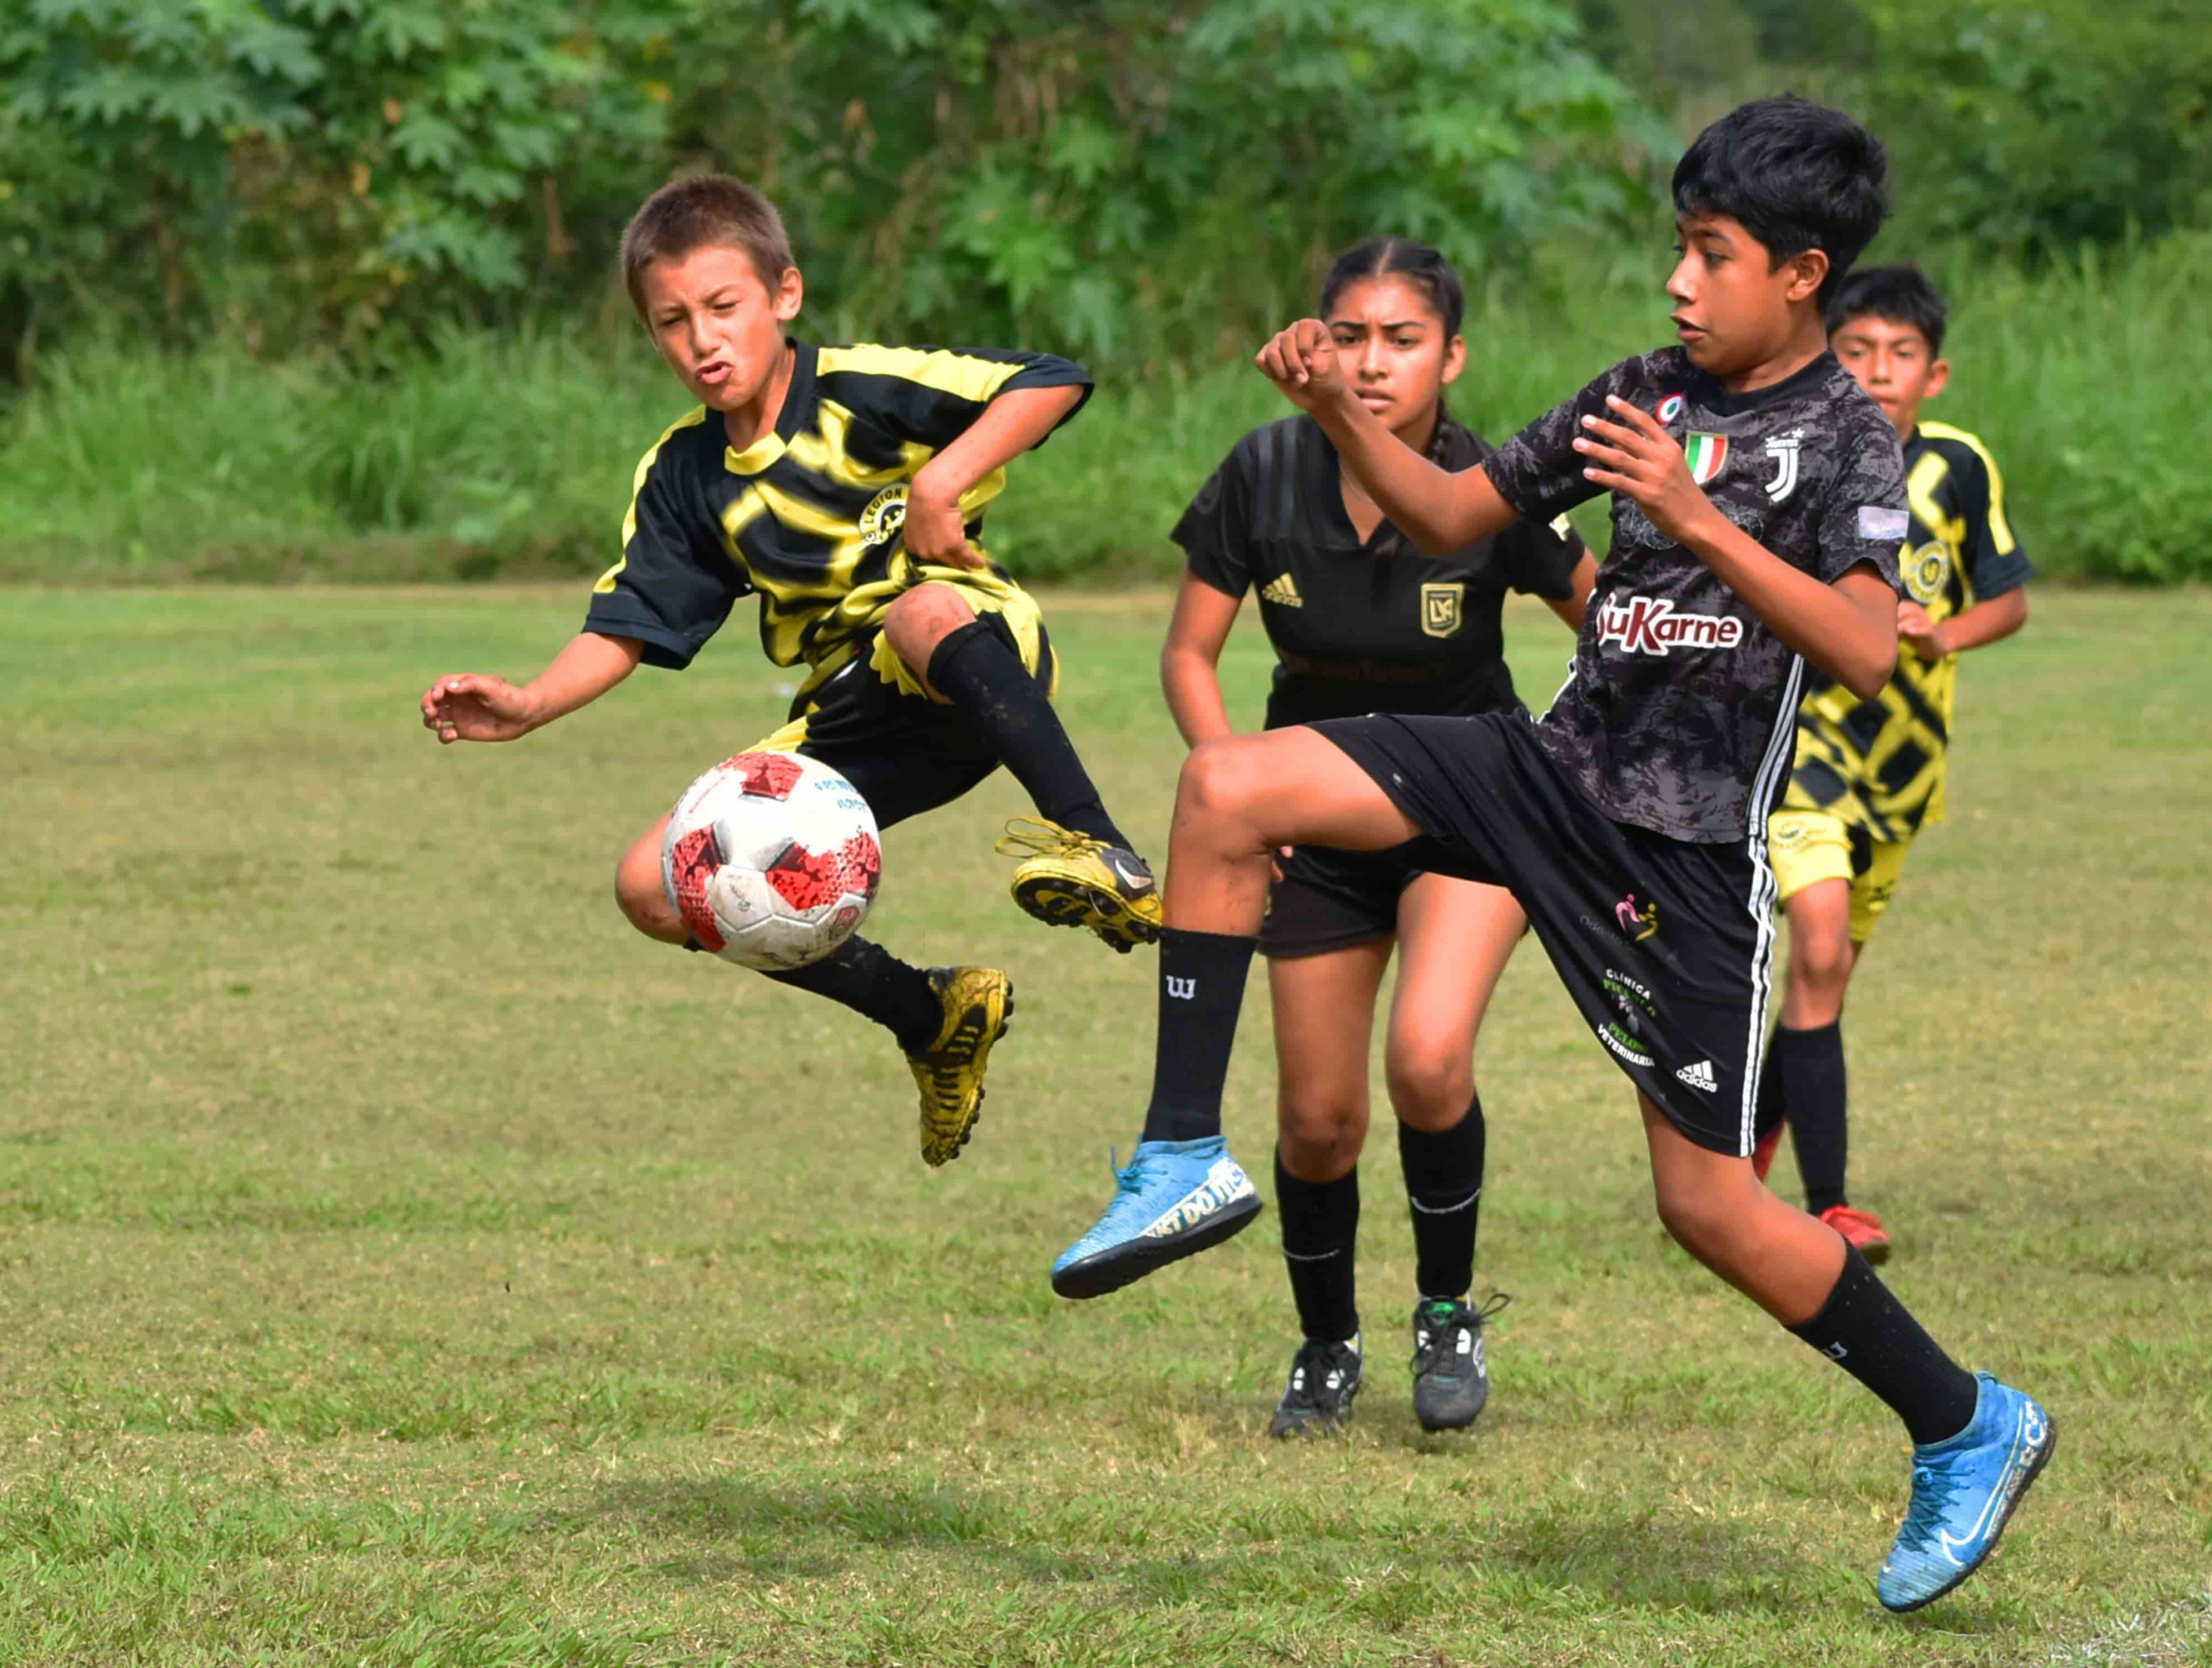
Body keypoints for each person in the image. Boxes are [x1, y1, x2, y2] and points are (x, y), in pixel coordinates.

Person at [1054, 99, 2052, 1610]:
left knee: (1708, 1210)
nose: (1677, 284)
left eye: (1709, 257)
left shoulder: (1847, 435)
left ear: (1801, 272)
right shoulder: (1640, 389)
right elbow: (1457, 509)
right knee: (1226, 787)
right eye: (1678, 249)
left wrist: (1695, 520)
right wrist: (1341, 412)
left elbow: (1859, 647)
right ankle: (1181, 1152)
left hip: (1687, 855)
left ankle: (1968, 1423)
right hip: (1543, 774)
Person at [418, 173, 1162, 1169]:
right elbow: (634, 620)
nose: (703, 341)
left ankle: (1103, 850)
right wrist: (534, 702)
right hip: (847, 714)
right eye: (673, 322)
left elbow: (1052, 377)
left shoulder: (861, 388)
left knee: (918, 607)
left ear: (786, 296)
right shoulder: (684, 474)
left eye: (724, 308)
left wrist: (941, 478)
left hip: (971, 654)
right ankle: (928, 1012)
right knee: (652, 884)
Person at [1162, 239, 1597, 1437]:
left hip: (1467, 810)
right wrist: (1236, 797)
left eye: (1402, 340)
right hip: (1311, 815)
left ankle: (1447, 1312)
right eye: (1349, 335)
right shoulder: (1262, 470)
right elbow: (1189, 658)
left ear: (1451, 358)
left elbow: (1610, 622)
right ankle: (1323, 1344)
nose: (1372, 362)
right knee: (1315, 1120)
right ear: (1314, 347)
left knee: (1426, 1062)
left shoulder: (1494, 482)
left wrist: (1558, 769)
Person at [1752, 265, 2034, 1260]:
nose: (1878, 372)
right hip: (1804, 750)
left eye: (1900, 354)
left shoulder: (1959, 467)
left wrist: (1943, 634)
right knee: (1818, 950)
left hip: (1905, 768)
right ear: (1829, 356)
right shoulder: (1804, 459)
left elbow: (2009, 598)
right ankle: (1829, 1206)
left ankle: (1739, 1160)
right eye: (1857, 350)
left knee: (1818, 987)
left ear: (1935, 373)